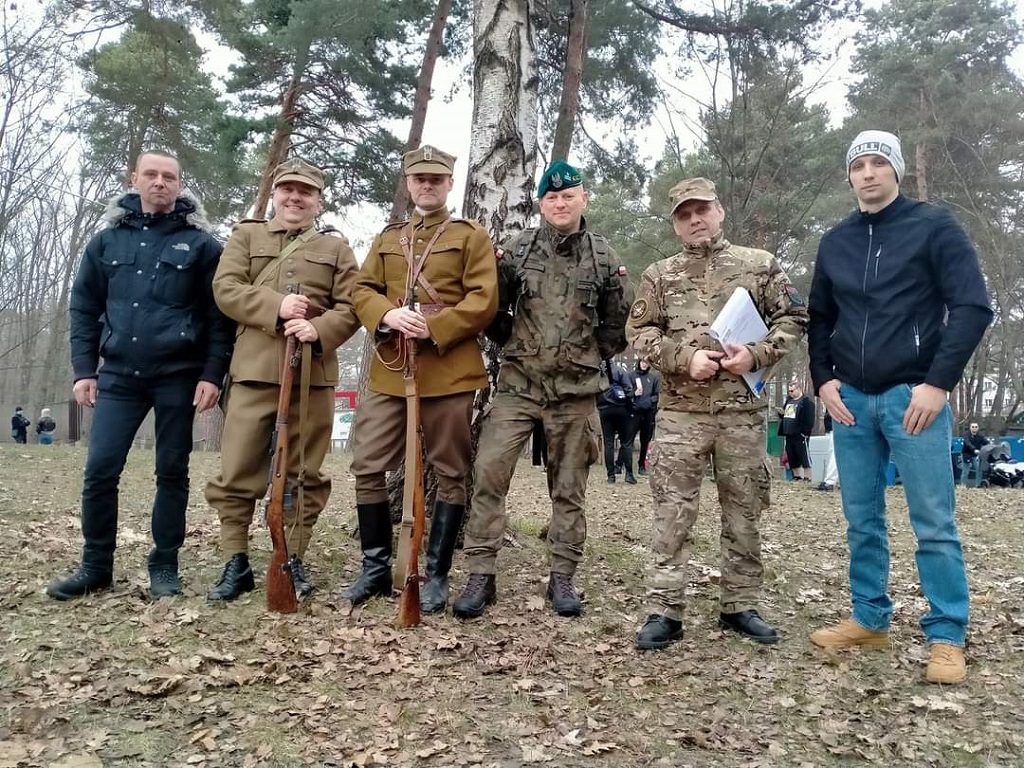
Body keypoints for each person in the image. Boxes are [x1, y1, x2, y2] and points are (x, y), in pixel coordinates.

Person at [807, 130, 992, 685]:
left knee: (933, 521)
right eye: (858, 164)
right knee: (861, 518)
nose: (867, 173)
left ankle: (946, 633)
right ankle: (869, 616)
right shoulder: (835, 240)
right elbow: (818, 317)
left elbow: (972, 306)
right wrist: (822, 380)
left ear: (897, 171)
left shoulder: (933, 227)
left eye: (877, 163)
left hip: (913, 398)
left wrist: (937, 384)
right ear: (849, 175)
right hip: (851, 403)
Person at [627, 177, 808, 649]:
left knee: (745, 510)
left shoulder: (759, 265)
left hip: (742, 414)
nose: (695, 220)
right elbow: (640, 331)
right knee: (672, 512)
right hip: (680, 415)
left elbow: (793, 318)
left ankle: (740, 603)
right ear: (675, 224)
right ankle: (665, 609)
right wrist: (683, 358)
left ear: (719, 210)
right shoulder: (659, 274)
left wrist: (757, 352)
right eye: (684, 214)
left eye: (701, 210)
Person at [47, 150, 234, 601]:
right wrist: (83, 370)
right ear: (135, 179)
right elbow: (84, 307)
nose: (160, 183)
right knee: (100, 468)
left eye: (169, 177)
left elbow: (218, 317)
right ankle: (95, 566)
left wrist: (212, 373)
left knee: (172, 470)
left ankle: (164, 566)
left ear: (180, 184)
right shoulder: (106, 241)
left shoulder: (203, 245)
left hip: (179, 375)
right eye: (150, 175)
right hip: (118, 377)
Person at [453, 160, 634, 619]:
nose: (560, 202)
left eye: (568, 195)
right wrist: (518, 343)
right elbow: (489, 309)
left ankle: (563, 577)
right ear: (541, 203)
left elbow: (620, 322)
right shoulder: (518, 249)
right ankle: (480, 576)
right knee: (489, 475)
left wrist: (586, 354)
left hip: (575, 392)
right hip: (518, 386)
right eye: (551, 197)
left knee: (569, 488)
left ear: (583, 198)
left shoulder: (604, 256)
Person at [345, 145, 497, 614]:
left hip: (449, 369)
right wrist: (388, 315)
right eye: (418, 179)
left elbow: (484, 297)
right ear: (408, 184)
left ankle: (435, 572)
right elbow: (361, 289)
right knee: (368, 463)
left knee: (451, 469)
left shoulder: (471, 235)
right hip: (392, 368)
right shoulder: (388, 236)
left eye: (436, 178)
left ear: (449, 183)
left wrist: (435, 325)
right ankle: (374, 566)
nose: (427, 185)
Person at [205, 158, 360, 601]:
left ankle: (292, 556)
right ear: (274, 195)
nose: (295, 197)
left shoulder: (336, 250)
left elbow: (353, 306)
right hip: (253, 373)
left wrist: (320, 329)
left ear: (318, 200)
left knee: (304, 473)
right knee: (237, 469)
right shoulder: (246, 235)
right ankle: (235, 559)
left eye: (305, 191)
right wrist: (277, 306)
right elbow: (226, 288)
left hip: (313, 377)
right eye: (287, 189)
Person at [598, 358, 637, 484]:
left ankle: (611, 475)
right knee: (626, 442)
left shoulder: (598, 373)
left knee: (608, 443)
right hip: (622, 410)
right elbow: (629, 390)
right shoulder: (620, 371)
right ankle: (629, 474)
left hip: (604, 410)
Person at [779, 382, 814, 481]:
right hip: (789, 433)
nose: (790, 393)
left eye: (792, 390)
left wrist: (805, 432)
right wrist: (781, 414)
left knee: (803, 455)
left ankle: (807, 477)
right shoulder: (789, 401)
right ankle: (796, 476)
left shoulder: (806, 402)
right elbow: (786, 414)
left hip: (800, 434)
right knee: (792, 455)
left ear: (799, 389)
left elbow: (810, 419)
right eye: (789, 391)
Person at [633, 359, 660, 475]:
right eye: (642, 362)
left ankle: (641, 465)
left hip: (648, 413)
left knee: (645, 440)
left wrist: (649, 401)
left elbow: (656, 394)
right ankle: (621, 463)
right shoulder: (631, 376)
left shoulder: (653, 378)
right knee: (628, 438)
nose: (644, 364)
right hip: (634, 412)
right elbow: (628, 391)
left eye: (646, 362)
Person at [959, 422, 989, 487]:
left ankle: (978, 485)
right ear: (970, 428)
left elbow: (986, 443)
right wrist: (974, 449)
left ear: (978, 428)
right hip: (966, 454)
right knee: (966, 471)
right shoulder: (966, 435)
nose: (974, 428)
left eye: (976, 427)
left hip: (976, 455)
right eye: (972, 427)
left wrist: (991, 446)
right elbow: (968, 443)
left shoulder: (980, 436)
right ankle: (962, 485)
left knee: (979, 470)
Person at [817, 411, 839, 491]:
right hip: (833, 427)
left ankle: (830, 481)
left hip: (840, 425)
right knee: (833, 453)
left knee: (835, 454)